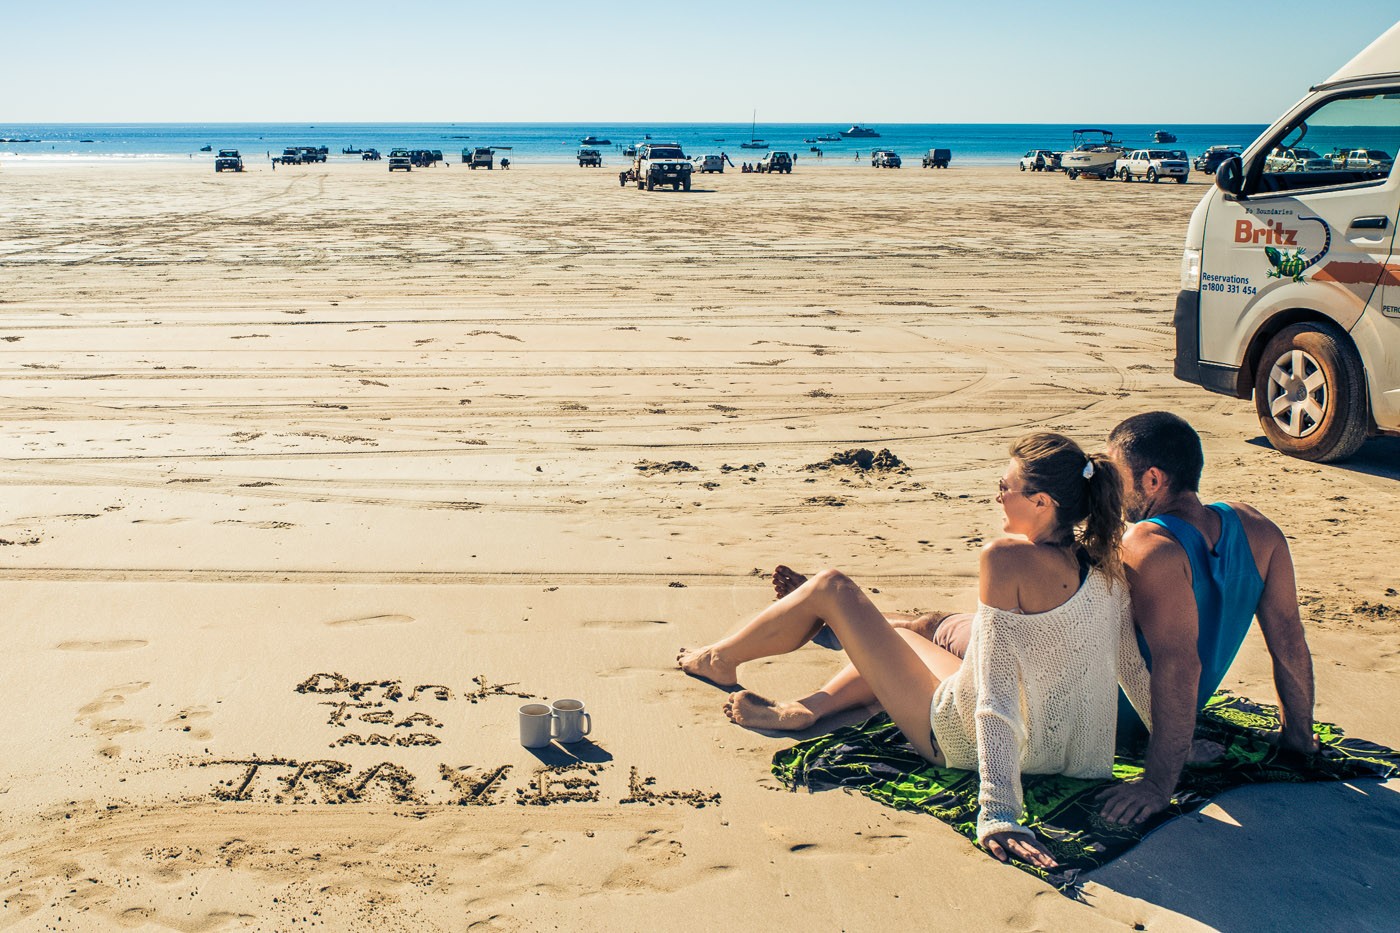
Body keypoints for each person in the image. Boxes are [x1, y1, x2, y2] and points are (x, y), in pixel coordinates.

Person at [679, 434, 1152, 867]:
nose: (997, 495)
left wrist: (1000, 811)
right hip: (1071, 753)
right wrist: (1177, 741)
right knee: (904, 639)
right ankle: (806, 707)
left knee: (832, 587)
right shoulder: (1103, 557)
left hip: (960, 739)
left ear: (1042, 501)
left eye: (1004, 486)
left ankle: (719, 659)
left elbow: (995, 694)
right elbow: (1130, 665)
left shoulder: (1005, 557)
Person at [880, 412, 1317, 827]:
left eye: (1117, 471)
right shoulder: (1258, 529)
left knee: (946, 626)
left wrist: (1158, 784)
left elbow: (1178, 664)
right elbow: (1289, 638)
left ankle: (875, 622)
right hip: (1171, 711)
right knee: (960, 624)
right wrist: (1298, 736)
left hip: (1100, 714)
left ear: (1152, 479)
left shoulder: (1147, 546)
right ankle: (883, 620)